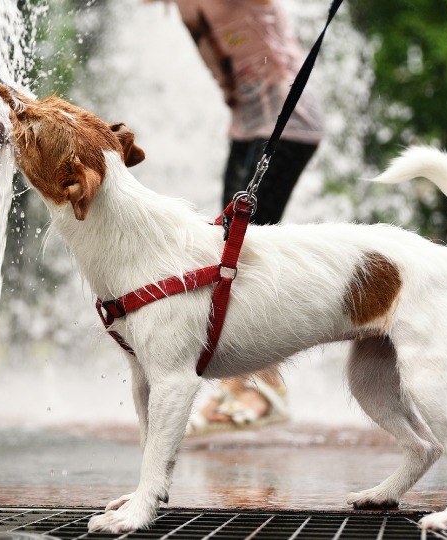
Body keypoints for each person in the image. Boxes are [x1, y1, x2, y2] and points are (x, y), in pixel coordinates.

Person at [166, 0, 324, 433]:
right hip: (248, 125)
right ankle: (249, 384)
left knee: (243, 253)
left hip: (288, 122)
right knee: (226, 249)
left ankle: (260, 388)